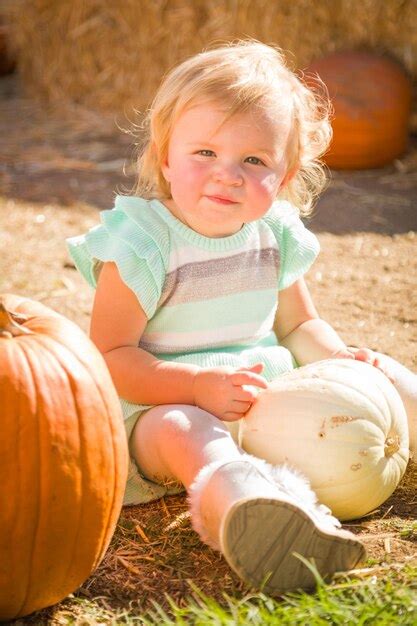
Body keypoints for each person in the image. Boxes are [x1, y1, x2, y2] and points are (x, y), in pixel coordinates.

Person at [67, 40, 416, 595]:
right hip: (161, 409)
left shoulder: (273, 235)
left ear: (283, 175)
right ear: (165, 157)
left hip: (265, 402)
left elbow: (299, 326)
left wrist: (339, 358)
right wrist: (196, 385)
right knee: (192, 432)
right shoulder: (142, 245)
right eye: (204, 153)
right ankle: (247, 509)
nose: (227, 174)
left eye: (253, 160)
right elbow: (109, 359)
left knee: (381, 373)